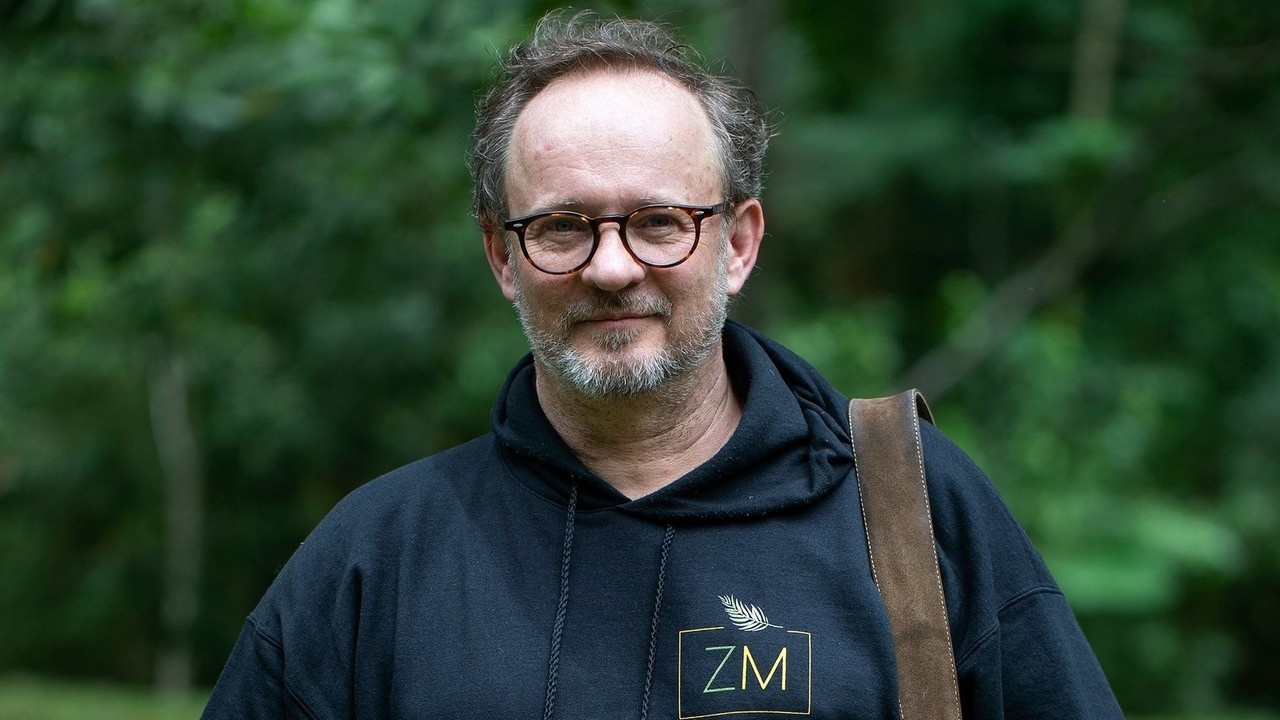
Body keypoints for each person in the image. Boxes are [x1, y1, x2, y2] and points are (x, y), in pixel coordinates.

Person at [202, 10, 1123, 719]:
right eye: (561, 226)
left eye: (657, 222)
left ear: (738, 243)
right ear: (502, 256)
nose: (611, 267)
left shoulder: (910, 508)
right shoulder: (379, 558)